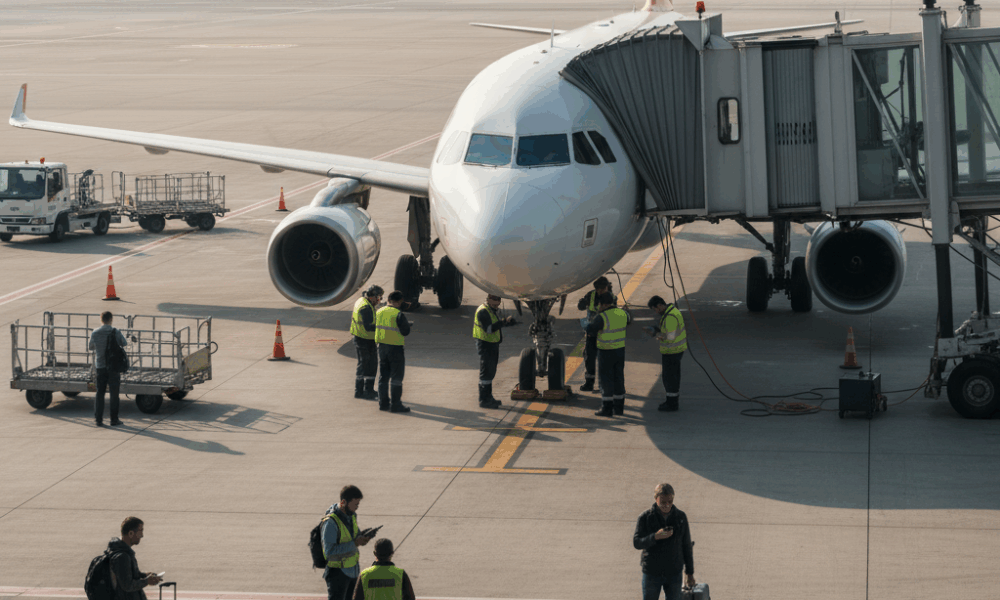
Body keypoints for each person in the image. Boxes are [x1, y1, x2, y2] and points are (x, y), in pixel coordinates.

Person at [633, 483, 696, 600]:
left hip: (674, 573)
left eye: (670, 502)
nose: (667, 505)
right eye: (663, 502)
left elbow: (686, 546)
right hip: (652, 573)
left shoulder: (680, 518)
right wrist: (655, 537)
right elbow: (637, 542)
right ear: (655, 499)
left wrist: (690, 573)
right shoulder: (645, 518)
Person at [322, 485, 374, 600]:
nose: (357, 508)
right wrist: (355, 543)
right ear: (344, 502)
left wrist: (364, 538)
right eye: (355, 504)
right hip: (338, 574)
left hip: (352, 571)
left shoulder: (351, 517)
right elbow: (329, 553)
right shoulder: (331, 523)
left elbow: (355, 538)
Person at [586, 292, 630, 416]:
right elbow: (629, 320)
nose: (598, 307)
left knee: (606, 380)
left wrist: (587, 325)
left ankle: (607, 409)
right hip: (620, 351)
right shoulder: (623, 313)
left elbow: (591, 329)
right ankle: (619, 408)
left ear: (604, 304)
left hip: (606, 352)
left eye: (599, 304)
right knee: (619, 378)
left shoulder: (602, 317)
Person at [473, 294, 516, 409]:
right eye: (495, 300)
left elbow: (495, 326)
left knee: (491, 371)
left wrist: (507, 323)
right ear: (488, 300)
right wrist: (503, 322)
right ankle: (484, 400)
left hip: (492, 344)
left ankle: (489, 397)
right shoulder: (483, 311)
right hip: (485, 344)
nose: (497, 302)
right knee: (486, 371)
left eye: (499, 300)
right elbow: (488, 329)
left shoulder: (492, 310)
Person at [646, 296, 687, 412]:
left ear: (660, 305)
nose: (656, 312)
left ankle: (672, 404)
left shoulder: (670, 317)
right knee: (672, 377)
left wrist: (657, 335)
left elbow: (669, 337)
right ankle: (671, 401)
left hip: (672, 351)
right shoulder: (671, 312)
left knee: (670, 378)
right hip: (675, 350)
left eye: (655, 309)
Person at [106, 517, 162, 600]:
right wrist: (147, 581)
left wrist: (145, 575)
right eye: (140, 531)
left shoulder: (122, 552)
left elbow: (128, 576)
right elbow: (128, 585)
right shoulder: (122, 557)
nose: (142, 535)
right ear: (131, 533)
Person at [89, 311, 128, 427]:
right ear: (111, 319)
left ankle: (98, 420)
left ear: (101, 319)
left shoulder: (95, 333)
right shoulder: (115, 332)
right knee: (114, 394)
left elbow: (90, 347)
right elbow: (124, 343)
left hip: (100, 367)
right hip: (113, 367)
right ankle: (114, 419)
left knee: (100, 393)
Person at [375, 291, 411, 413]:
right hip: (395, 348)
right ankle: (396, 405)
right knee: (396, 378)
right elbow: (405, 331)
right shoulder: (398, 314)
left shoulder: (379, 311)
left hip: (382, 347)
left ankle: (383, 403)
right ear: (399, 301)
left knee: (383, 377)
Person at [576, 276, 612, 391]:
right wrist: (582, 303)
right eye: (598, 289)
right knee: (589, 358)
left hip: (605, 334)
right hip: (592, 334)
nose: (600, 291)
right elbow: (580, 307)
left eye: (603, 288)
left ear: (607, 287)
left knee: (605, 360)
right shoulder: (591, 295)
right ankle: (589, 383)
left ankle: (604, 384)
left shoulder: (611, 298)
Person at [352, 538, 416, 600]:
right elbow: (410, 598)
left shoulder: (364, 574)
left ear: (375, 553)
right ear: (392, 553)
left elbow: (357, 598)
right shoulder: (400, 574)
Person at [351, 285, 383, 400]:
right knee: (365, 364)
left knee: (371, 364)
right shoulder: (366, 308)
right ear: (373, 297)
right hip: (364, 339)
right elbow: (369, 327)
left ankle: (368, 390)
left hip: (363, 338)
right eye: (378, 297)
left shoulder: (362, 301)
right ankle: (360, 391)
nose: (379, 300)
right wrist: (383, 327)